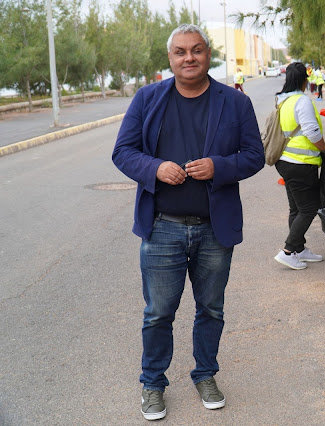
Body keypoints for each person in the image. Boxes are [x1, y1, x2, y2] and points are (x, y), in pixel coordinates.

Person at [112, 24, 265, 420]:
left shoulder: (234, 103)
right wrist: (155, 168)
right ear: (170, 58)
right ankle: (152, 383)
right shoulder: (148, 99)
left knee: (211, 309)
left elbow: (254, 156)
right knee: (158, 312)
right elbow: (123, 152)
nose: (189, 58)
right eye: (180, 52)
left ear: (208, 54)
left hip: (216, 226)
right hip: (163, 225)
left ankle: (205, 374)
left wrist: (219, 166)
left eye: (196, 50)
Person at [273, 62, 325, 270]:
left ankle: (299, 249)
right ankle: (288, 251)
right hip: (301, 164)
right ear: (304, 81)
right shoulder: (301, 101)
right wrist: (324, 149)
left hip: (285, 161)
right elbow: (312, 132)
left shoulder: (282, 101)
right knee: (308, 209)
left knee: (296, 207)